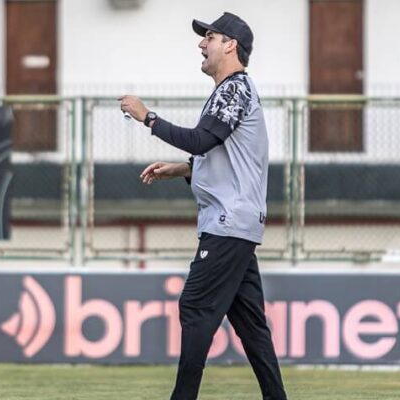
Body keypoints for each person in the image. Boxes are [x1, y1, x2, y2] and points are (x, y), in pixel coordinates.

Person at [119, 12, 288, 400]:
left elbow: (201, 140)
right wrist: (182, 169)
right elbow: (224, 155)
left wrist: (148, 117)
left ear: (230, 44)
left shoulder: (234, 88)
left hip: (229, 222)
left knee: (195, 306)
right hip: (237, 221)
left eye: (208, 36)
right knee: (250, 324)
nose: (201, 43)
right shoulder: (234, 90)